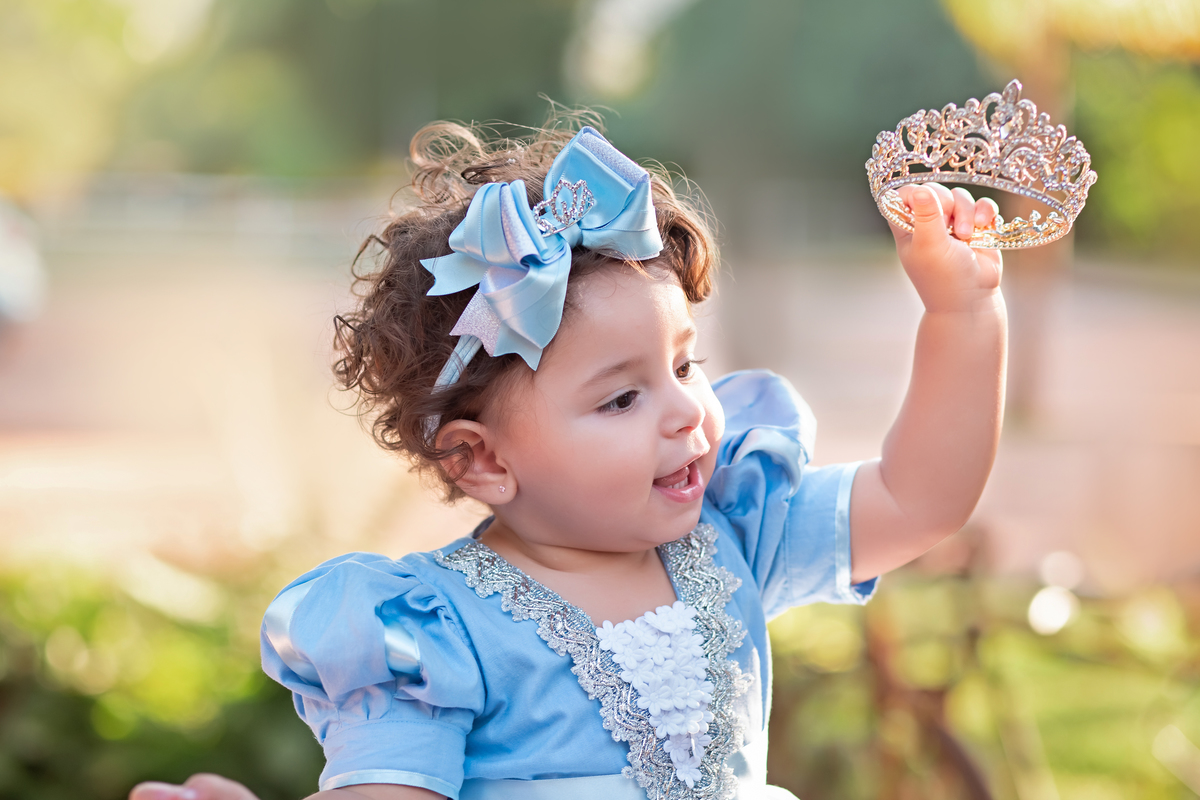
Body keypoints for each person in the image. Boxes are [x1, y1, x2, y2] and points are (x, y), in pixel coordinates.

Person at [130, 114, 1004, 800]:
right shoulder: (436, 633)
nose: (684, 413)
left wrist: (961, 316)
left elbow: (919, 499)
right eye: (622, 398)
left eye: (684, 365)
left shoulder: (736, 531)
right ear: (481, 462)